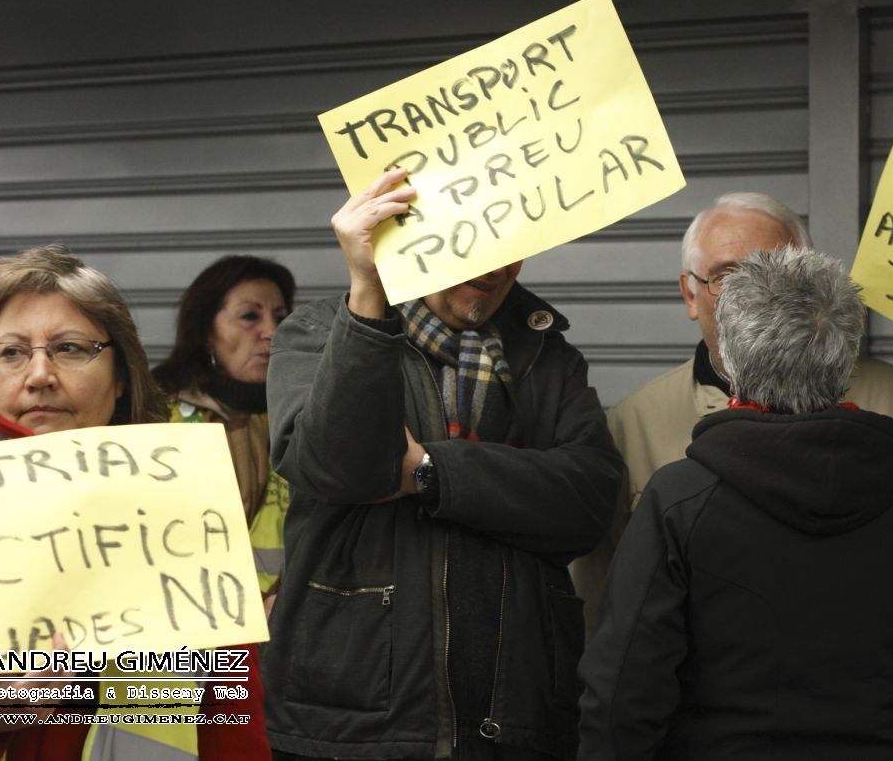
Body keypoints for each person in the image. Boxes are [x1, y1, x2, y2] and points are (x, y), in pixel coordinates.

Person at [596, 191, 893, 756]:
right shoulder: (632, 423)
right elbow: (608, 624)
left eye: (775, 271)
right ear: (690, 292)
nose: (751, 295)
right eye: (727, 275)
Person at [260, 168, 624, 760]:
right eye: (476, 236)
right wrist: (369, 296)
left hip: (516, 716)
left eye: (514, 245)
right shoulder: (321, 334)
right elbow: (341, 468)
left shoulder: (546, 356)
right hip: (355, 723)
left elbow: (588, 500)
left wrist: (429, 470)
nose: (499, 265)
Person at [0, 245, 270, 760]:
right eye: (11, 353)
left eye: (71, 349)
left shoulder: (181, 505)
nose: (38, 376)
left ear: (122, 375)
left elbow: (230, 709)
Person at [153, 255, 296, 600]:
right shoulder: (157, 413)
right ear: (205, 332)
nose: (271, 332)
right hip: (189, 625)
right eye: (250, 316)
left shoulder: (304, 412)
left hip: (289, 627)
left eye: (280, 317)